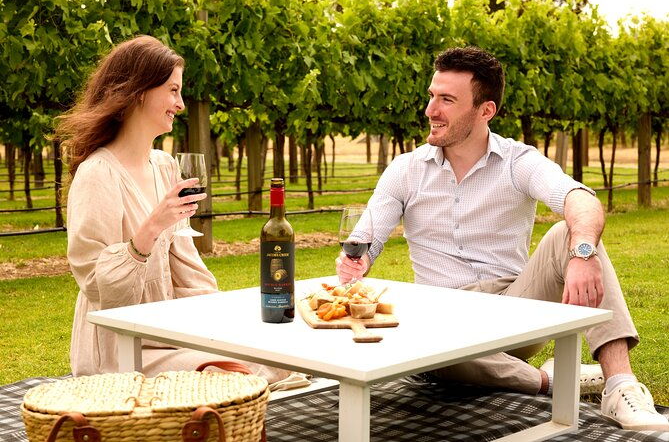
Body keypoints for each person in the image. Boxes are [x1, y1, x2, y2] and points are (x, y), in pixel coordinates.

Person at [336, 46, 669, 431]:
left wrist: (582, 252)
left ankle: (621, 386)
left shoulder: (518, 161)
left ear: (486, 110)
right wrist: (358, 259)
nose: (431, 110)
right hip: (441, 316)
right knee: (422, 343)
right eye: (431, 96)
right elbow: (366, 236)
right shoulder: (404, 170)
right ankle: (555, 380)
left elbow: (580, 199)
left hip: (513, 309)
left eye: (447, 100)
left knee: (571, 233)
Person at [57, 36, 306, 390]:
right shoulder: (97, 174)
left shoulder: (164, 167)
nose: (181, 103)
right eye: (173, 91)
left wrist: (221, 318)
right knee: (233, 377)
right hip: (120, 348)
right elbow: (99, 287)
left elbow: (185, 266)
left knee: (277, 357)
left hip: (167, 334)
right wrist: (152, 227)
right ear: (139, 92)